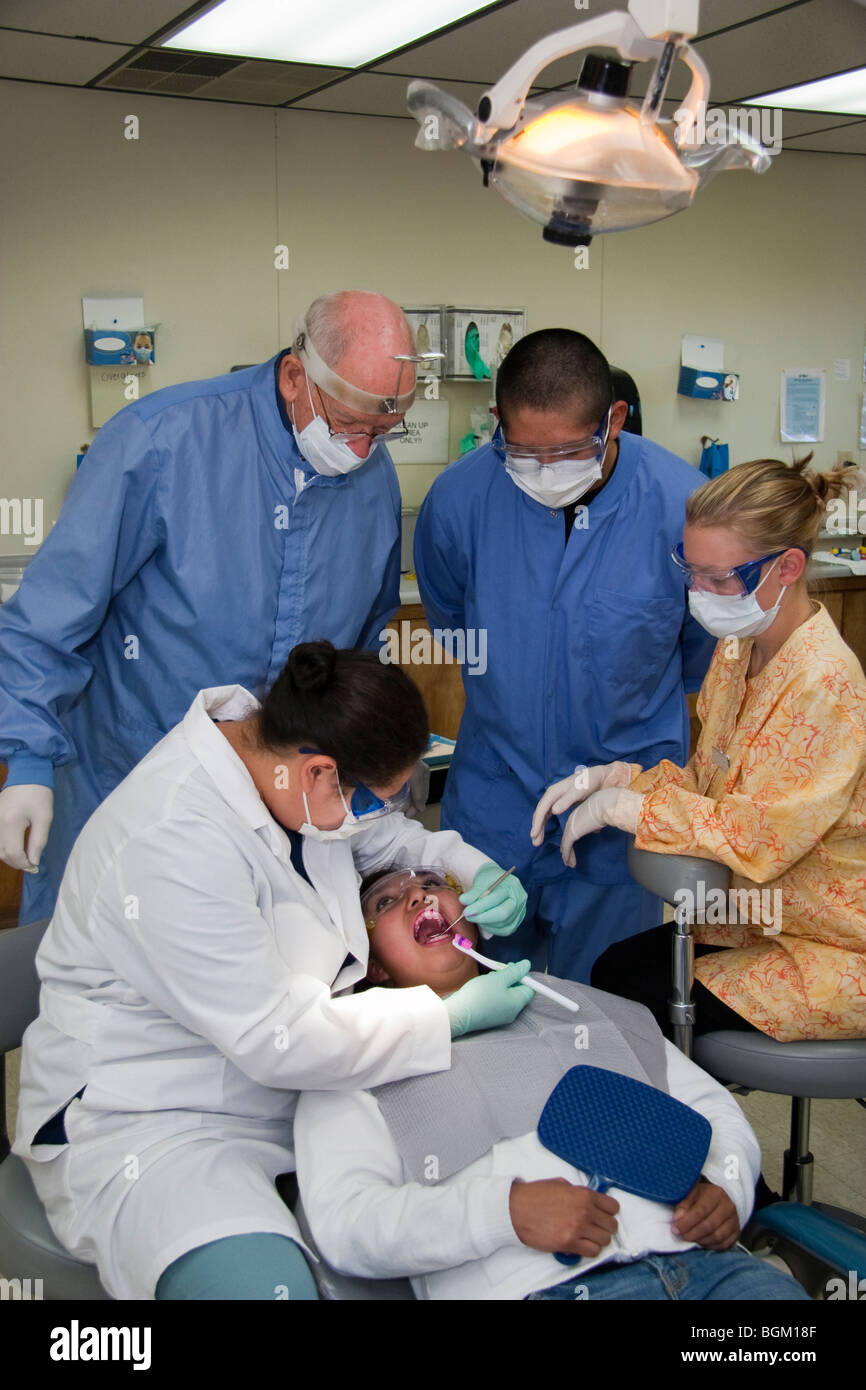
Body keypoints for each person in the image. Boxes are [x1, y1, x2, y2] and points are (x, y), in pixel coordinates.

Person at [13, 642, 534, 1301]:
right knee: (268, 1287)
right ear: (319, 773)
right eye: (375, 800)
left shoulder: (279, 760)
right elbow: (278, 1038)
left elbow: (386, 840)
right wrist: (445, 1014)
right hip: (150, 1117)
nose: (377, 818)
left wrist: (465, 859)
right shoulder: (172, 842)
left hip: (291, 1087)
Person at [0, 289, 424, 925]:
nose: (362, 451)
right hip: (124, 791)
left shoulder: (372, 483)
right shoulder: (160, 443)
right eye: (348, 425)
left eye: (383, 431)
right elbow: (49, 619)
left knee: (240, 995)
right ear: (292, 377)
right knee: (99, 993)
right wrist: (28, 757)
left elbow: (360, 650)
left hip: (271, 818)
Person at [292, 862, 810, 1302]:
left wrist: (727, 1186)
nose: (418, 895)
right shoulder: (353, 1056)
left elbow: (711, 1108)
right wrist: (505, 1212)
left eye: (431, 882)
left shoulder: (576, 1005)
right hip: (539, 1286)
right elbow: (345, 1220)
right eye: (385, 903)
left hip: (712, 1273)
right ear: (372, 966)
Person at [414, 328, 714, 980]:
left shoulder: (683, 510)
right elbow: (454, 620)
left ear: (613, 420)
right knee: (487, 1021)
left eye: (570, 450)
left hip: (619, 824)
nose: (546, 472)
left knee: (604, 1019)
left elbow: (698, 657)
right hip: (496, 811)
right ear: (496, 424)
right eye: (523, 452)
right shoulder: (460, 502)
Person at [533, 458, 866, 1043]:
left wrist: (630, 812)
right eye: (690, 572)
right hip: (759, 917)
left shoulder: (824, 684)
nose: (699, 594)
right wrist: (619, 780)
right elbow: (708, 787)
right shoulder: (739, 652)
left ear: (787, 567)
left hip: (829, 942)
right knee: (613, 973)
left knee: (634, 1009)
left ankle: (692, 1128)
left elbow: (760, 837)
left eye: (719, 578)